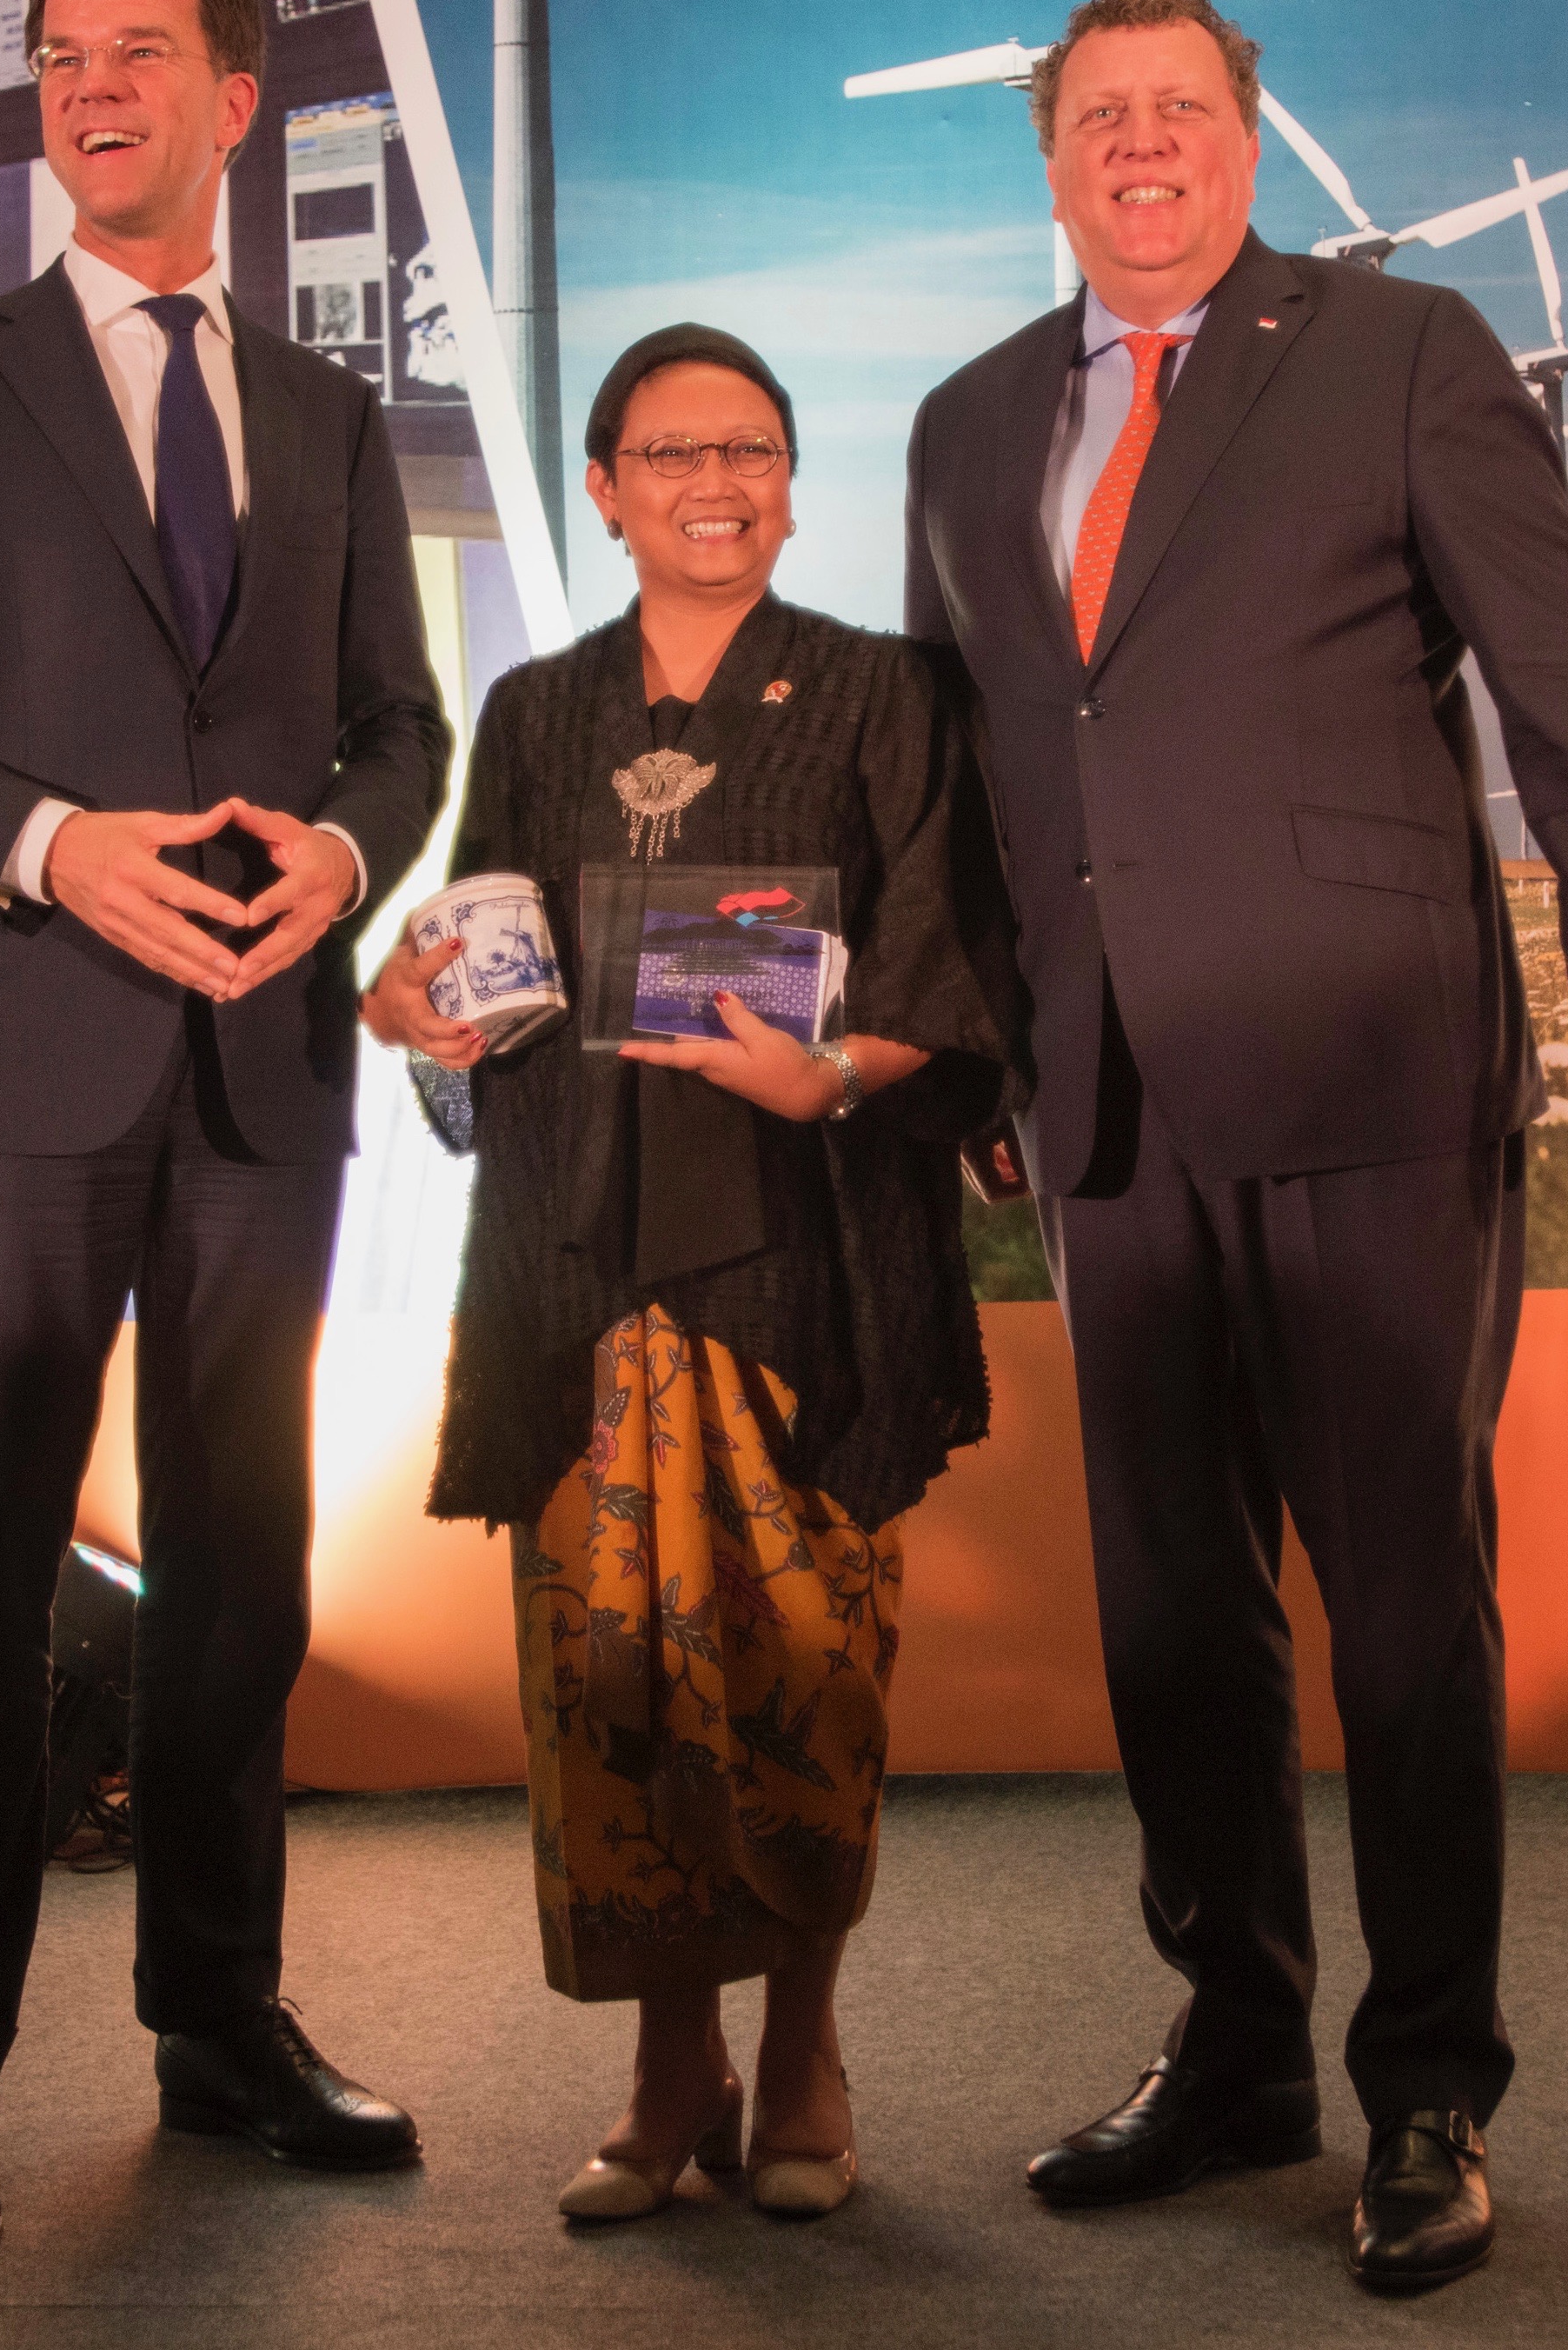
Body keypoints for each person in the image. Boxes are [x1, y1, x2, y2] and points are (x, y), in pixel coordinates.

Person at [905, 0, 1568, 2292]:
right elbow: (966, 766)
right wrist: (972, 1053)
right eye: (1098, 116)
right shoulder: (965, 423)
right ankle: (1238, 2039)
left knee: (1403, 1603)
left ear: (1246, 146)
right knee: (1173, 1608)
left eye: (1180, 108)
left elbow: (1563, 682)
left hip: (1369, 1063)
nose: (1139, 144)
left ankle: (1428, 2083)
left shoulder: (1404, 351)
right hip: (1102, 1101)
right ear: (1051, 162)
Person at [0, 0, 449, 2270]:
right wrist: (50, 846)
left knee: (241, 1573)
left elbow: (400, 726)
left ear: (234, 100)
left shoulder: (330, 412)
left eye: (138, 52)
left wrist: (344, 856)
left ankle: (219, 2023)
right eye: (59, 57)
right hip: (14, 1067)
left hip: (262, 1069)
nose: (89, 88)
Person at [362, 324, 1015, 2223]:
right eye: (668, 453)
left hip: (807, 1246)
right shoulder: (536, 709)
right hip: (578, 1256)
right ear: (604, 489)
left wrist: (836, 1074)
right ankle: (669, 2062)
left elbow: (942, 957)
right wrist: (411, 1006)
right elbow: (478, 961)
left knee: (805, 1661)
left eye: (747, 450)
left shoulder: (885, 690)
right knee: (610, 1670)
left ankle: (802, 2043)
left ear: (791, 485)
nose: (710, 482)